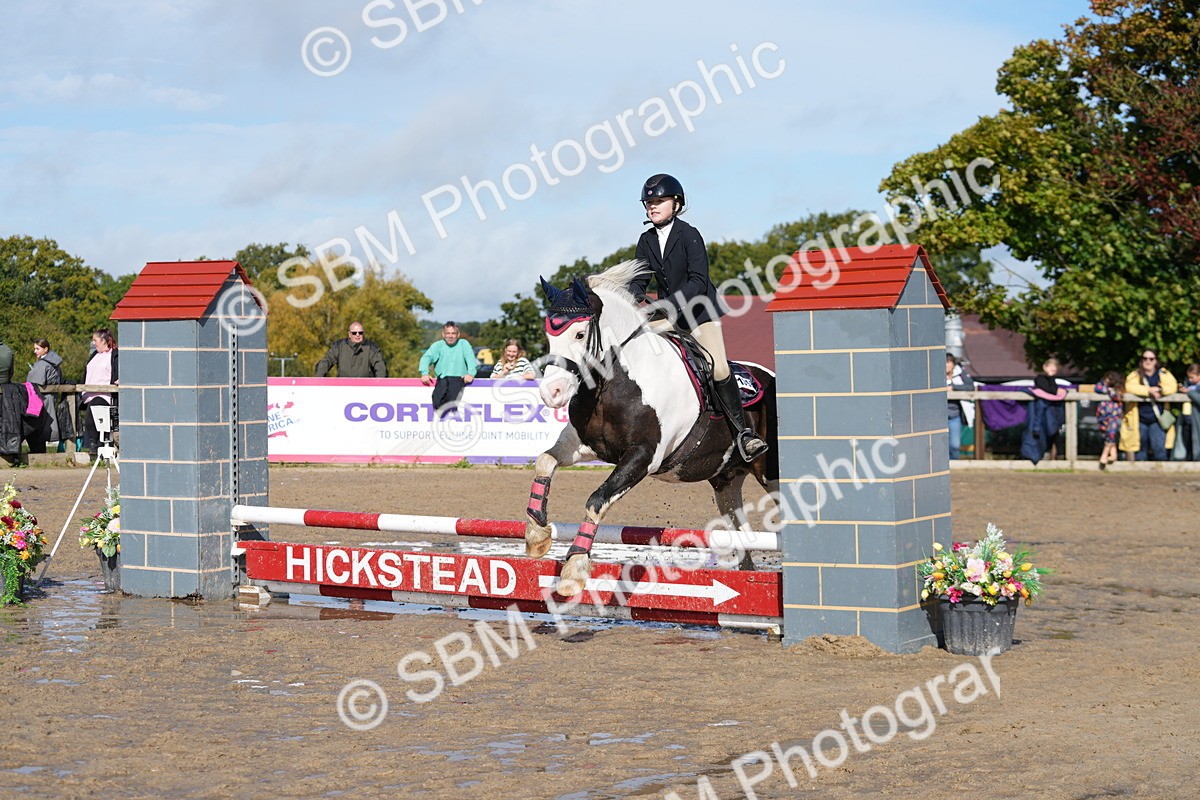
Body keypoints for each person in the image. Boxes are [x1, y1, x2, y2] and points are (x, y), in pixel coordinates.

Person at [628, 173, 768, 461]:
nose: (652, 206)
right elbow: (639, 280)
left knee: (717, 368)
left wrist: (664, 305)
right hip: (668, 314)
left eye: (659, 201)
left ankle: (744, 433)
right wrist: (631, 298)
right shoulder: (646, 240)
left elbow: (698, 281)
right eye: (649, 202)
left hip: (700, 313)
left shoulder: (689, 234)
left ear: (676, 204)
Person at [1120, 348, 1178, 462]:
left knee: (1159, 449)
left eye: (1151, 359)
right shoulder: (1135, 375)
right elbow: (1128, 386)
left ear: (1156, 360)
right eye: (1145, 358)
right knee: (1140, 450)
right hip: (1139, 419)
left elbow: (1173, 386)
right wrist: (1148, 390)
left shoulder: (1164, 374)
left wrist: (1161, 389)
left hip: (1157, 418)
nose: (1148, 361)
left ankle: (1162, 476)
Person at [419, 322, 476, 413]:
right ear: (443, 334)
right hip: (442, 382)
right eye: (448, 333)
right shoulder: (438, 346)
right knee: (439, 404)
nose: (450, 336)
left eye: (453, 333)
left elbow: (471, 359)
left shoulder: (463, 344)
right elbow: (426, 358)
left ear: (458, 335)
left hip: (459, 382)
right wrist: (424, 373)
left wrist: (471, 373)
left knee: (452, 407)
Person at [82, 328, 118, 459]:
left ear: (103, 341)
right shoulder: (94, 355)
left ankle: (96, 445)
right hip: (89, 394)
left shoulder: (114, 355)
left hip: (106, 395)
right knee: (91, 415)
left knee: (94, 413)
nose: (93, 343)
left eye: (95, 340)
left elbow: (116, 372)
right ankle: (93, 444)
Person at [314, 322, 387, 378]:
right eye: (354, 333)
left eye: (360, 333)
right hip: (343, 388)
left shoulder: (372, 347)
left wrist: (379, 385)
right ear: (349, 334)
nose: (357, 335)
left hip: (365, 389)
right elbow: (326, 362)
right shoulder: (339, 346)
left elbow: (380, 367)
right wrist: (318, 379)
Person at [1030, 357, 1068, 460]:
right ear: (1045, 367)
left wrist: (1052, 379)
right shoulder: (1039, 379)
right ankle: (1054, 455)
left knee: (1053, 432)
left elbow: (1053, 390)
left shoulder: (1053, 380)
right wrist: (1051, 378)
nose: (1053, 369)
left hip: (1053, 411)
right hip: (1044, 412)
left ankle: (1054, 455)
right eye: (1051, 367)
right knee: (1050, 432)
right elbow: (1050, 391)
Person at [946, 354, 975, 460]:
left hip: (955, 416)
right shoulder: (935, 374)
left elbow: (970, 387)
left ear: (953, 364)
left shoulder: (961, 374)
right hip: (938, 417)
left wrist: (953, 387)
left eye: (948, 362)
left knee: (955, 445)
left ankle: (953, 464)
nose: (946, 365)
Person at [1093, 371, 1124, 469]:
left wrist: (1110, 391)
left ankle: (1104, 454)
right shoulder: (1102, 386)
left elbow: (1117, 396)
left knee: (1111, 433)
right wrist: (1108, 390)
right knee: (1106, 434)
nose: (1107, 381)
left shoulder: (1118, 390)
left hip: (1113, 416)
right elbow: (1097, 388)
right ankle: (1114, 455)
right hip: (1102, 416)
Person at [1179, 363, 1200, 461]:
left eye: (1192, 377)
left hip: (1197, 418)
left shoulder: (1193, 389)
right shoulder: (1188, 385)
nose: (1190, 380)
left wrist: (1189, 392)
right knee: (1187, 441)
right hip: (1187, 418)